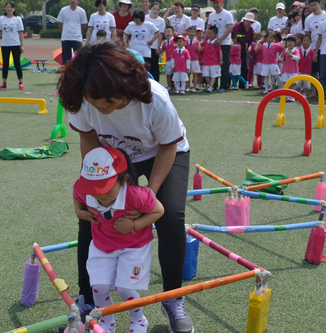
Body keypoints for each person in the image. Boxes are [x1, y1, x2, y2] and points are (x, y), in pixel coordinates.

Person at [57, 40, 193, 333]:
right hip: (113, 156)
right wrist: (93, 189)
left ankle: (172, 297)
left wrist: (147, 195)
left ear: (125, 86)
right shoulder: (82, 98)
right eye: (95, 101)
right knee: (90, 217)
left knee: (169, 217)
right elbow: (89, 138)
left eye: (108, 100)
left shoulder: (154, 99)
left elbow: (170, 146)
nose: (102, 107)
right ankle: (88, 300)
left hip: (163, 152)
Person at [73, 146, 164, 333]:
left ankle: (139, 320)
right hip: (102, 245)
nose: (99, 195)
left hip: (134, 246)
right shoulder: (86, 191)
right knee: (98, 287)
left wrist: (134, 225)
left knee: (125, 288)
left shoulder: (135, 194)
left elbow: (159, 210)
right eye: (93, 188)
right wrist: (79, 211)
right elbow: (76, 192)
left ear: (123, 180)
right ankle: (106, 322)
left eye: (106, 189)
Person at [0, 2, 25, 90]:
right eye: (7, 7)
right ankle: (4, 83)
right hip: (5, 45)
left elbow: (21, 33)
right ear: (5, 8)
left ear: (14, 9)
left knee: (17, 64)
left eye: (11, 7)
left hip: (15, 44)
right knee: (5, 64)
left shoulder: (17, 19)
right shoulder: (1, 19)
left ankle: (20, 82)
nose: (9, 9)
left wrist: (22, 45)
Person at [205, 0, 233, 93]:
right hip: (213, 44)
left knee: (224, 65)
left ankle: (224, 86)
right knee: (213, 65)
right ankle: (213, 85)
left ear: (222, 3)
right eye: (214, 3)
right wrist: (204, 40)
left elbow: (230, 28)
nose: (215, 5)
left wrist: (220, 39)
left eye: (217, 3)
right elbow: (208, 28)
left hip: (224, 43)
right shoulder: (212, 15)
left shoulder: (227, 14)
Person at [304, 0, 326, 98]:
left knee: (325, 71)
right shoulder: (308, 19)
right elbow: (307, 35)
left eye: (315, 5)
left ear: (320, 4)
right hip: (313, 48)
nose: (313, 7)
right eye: (311, 5)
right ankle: (313, 92)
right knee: (313, 71)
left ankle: (324, 92)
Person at [57, 0, 87, 65]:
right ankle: (66, 72)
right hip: (66, 38)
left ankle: (78, 73)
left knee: (79, 58)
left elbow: (84, 25)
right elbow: (59, 24)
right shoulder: (63, 10)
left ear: (78, 1)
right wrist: (63, 33)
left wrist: (79, 33)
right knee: (66, 59)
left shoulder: (82, 11)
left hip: (77, 39)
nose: (72, 1)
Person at [231, 12, 255, 88]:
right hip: (235, 47)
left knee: (243, 66)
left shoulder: (251, 29)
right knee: (231, 65)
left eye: (250, 21)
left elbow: (250, 40)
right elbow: (235, 35)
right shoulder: (238, 25)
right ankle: (233, 83)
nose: (248, 23)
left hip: (243, 49)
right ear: (244, 20)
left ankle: (243, 84)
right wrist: (242, 36)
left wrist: (250, 46)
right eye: (247, 21)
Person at [145, 2, 165, 82]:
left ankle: (156, 83)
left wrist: (158, 47)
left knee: (154, 66)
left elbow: (160, 35)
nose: (155, 11)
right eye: (154, 9)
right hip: (145, 46)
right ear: (151, 9)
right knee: (146, 65)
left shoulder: (161, 21)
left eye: (157, 9)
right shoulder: (145, 18)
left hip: (154, 46)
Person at [279, 34, 300, 101]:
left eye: (292, 42)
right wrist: (283, 53)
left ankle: (293, 97)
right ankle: (287, 96)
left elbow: (297, 58)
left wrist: (290, 54)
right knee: (286, 83)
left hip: (293, 71)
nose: (290, 43)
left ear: (294, 43)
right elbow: (280, 59)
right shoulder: (285, 50)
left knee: (293, 84)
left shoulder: (296, 50)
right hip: (286, 70)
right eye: (288, 42)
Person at [202, 25, 223, 93]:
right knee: (206, 75)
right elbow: (203, 51)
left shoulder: (216, 42)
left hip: (214, 62)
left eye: (211, 33)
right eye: (208, 33)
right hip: (206, 62)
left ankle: (210, 87)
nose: (209, 35)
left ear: (215, 34)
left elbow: (220, 52)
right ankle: (211, 87)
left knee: (214, 76)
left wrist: (220, 61)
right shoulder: (207, 41)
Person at [185, 26, 201, 92]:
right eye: (189, 32)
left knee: (195, 74)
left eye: (193, 32)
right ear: (187, 33)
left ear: (195, 33)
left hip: (195, 60)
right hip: (187, 60)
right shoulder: (185, 41)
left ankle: (194, 87)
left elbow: (199, 50)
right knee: (188, 74)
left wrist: (197, 46)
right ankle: (188, 87)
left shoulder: (197, 41)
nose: (191, 33)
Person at [161, 26, 176, 91]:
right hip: (168, 60)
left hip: (176, 60)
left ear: (173, 33)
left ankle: (180, 86)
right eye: (166, 32)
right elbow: (163, 49)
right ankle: (169, 85)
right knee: (168, 74)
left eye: (169, 32)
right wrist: (158, 51)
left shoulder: (176, 40)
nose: (167, 33)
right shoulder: (164, 42)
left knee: (177, 73)